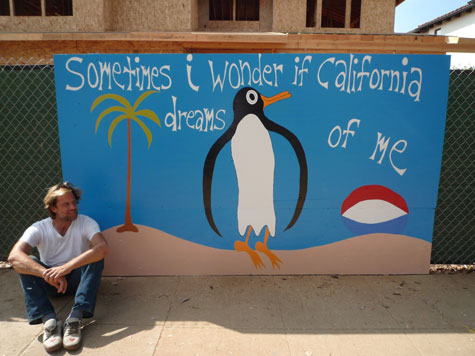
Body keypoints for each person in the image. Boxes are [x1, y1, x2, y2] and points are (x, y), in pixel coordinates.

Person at [8, 182, 109, 352]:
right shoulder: (39, 227)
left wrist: (67, 267)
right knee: (25, 261)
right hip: (51, 283)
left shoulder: (86, 222)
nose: (73, 207)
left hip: (78, 282)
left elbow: (102, 247)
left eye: (74, 203)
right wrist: (47, 273)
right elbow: (14, 256)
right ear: (53, 208)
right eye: (66, 204)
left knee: (96, 256)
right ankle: (50, 321)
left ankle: (75, 318)